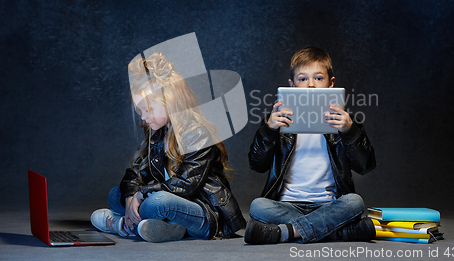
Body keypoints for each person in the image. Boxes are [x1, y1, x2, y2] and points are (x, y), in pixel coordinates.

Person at [91, 52, 246, 243]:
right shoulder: (157, 132)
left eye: (148, 110)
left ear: (171, 103)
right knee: (116, 194)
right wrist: (132, 195)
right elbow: (134, 173)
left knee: (156, 202)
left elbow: (186, 185)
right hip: (171, 204)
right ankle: (166, 228)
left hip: (205, 213)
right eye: (141, 110)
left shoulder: (198, 134)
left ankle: (122, 224)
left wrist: (142, 194)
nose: (143, 117)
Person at [245, 46, 376, 244]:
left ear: (331, 84)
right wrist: (268, 130)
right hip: (287, 204)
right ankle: (336, 232)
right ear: (292, 85)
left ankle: (285, 232)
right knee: (258, 206)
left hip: (329, 205)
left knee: (354, 202)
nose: (311, 85)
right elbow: (257, 165)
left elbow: (365, 166)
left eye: (318, 78)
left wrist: (350, 132)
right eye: (303, 78)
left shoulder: (345, 122)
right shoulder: (278, 121)